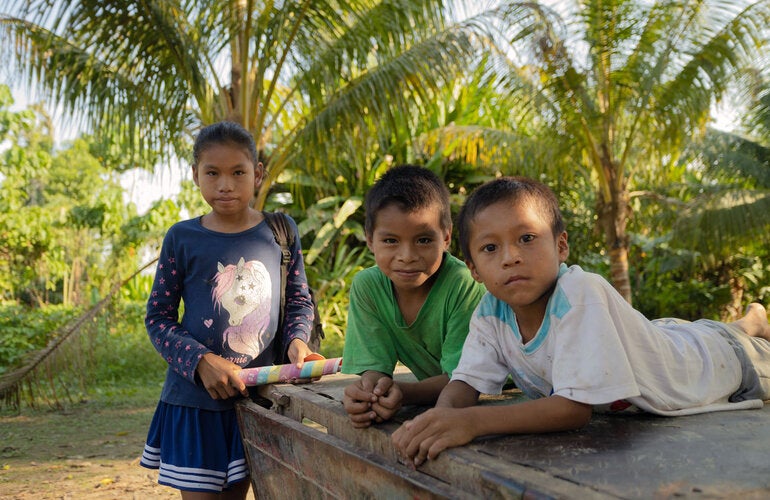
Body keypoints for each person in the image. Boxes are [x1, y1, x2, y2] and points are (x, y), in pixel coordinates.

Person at [392, 176, 770, 466]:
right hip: (664, 339)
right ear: (474, 268)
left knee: (720, 341)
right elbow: (466, 381)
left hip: (717, 365)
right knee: (692, 334)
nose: (510, 257)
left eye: (526, 238)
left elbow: (572, 409)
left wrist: (471, 423)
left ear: (560, 246)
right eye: (491, 248)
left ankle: (749, 326)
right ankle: (750, 320)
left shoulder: (579, 292)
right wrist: (439, 420)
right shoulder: (491, 312)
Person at [139, 121, 316, 499]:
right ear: (195, 175)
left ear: (258, 173)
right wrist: (203, 362)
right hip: (195, 405)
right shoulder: (182, 237)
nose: (226, 184)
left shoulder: (280, 231)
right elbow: (158, 317)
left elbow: (299, 300)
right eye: (212, 173)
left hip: (261, 401)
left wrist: (297, 344)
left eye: (238, 172)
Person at [341, 165, 487, 428]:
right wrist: (369, 394)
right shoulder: (368, 287)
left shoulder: (462, 284)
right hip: (444, 401)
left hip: (498, 393)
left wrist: (403, 392)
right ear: (370, 240)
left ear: (446, 237)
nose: (407, 256)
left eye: (423, 240)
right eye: (390, 241)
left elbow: (466, 380)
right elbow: (375, 367)